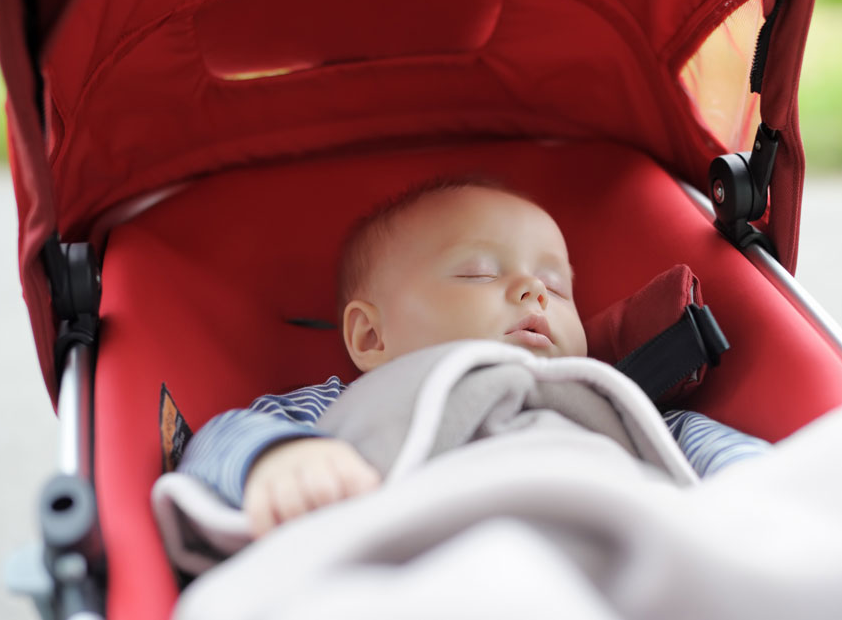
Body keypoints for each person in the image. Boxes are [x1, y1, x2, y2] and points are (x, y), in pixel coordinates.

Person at [178, 179, 768, 537]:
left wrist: (763, 491)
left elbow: (742, 470)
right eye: (477, 273)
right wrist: (277, 463)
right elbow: (215, 440)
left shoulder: (619, 406)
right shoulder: (339, 407)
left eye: (557, 286)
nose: (534, 292)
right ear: (371, 340)